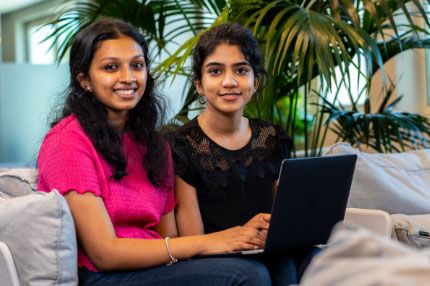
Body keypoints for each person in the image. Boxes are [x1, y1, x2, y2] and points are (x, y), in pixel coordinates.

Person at [37, 17, 273, 286]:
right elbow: (105, 253)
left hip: (156, 266)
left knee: (279, 265)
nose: (128, 77)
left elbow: (167, 236)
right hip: (102, 276)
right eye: (111, 67)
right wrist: (210, 242)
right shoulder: (67, 143)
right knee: (246, 275)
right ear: (84, 80)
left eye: (137, 65)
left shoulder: (154, 144)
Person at [169, 22, 319, 285]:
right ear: (199, 85)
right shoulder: (182, 145)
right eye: (215, 71)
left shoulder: (272, 138)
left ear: (255, 81)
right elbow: (191, 241)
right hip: (216, 258)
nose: (229, 82)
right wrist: (242, 235)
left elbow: (284, 219)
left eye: (241, 70)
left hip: (269, 250)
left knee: (317, 259)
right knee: (270, 270)